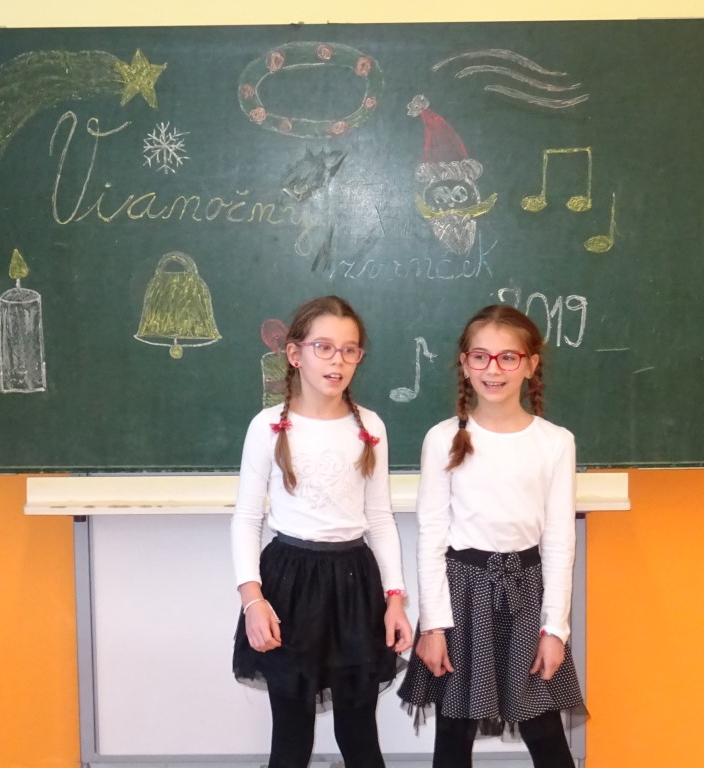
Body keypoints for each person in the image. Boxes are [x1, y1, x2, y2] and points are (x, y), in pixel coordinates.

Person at [397, 304, 584, 768]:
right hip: (462, 596)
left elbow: (559, 542)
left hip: (527, 594)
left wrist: (555, 630)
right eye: (480, 357)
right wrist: (433, 627)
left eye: (508, 357)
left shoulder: (555, 442)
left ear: (531, 364)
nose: (493, 369)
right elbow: (431, 540)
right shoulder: (442, 439)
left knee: (543, 727)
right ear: (465, 364)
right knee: (454, 731)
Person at [231, 295, 414, 768]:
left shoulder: (369, 425)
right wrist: (252, 600)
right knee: (291, 738)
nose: (337, 361)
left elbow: (380, 518)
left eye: (349, 350)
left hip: (355, 585)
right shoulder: (267, 426)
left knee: (359, 735)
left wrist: (395, 599)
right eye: (324, 347)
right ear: (295, 354)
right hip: (288, 584)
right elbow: (247, 517)